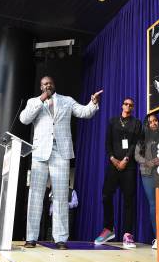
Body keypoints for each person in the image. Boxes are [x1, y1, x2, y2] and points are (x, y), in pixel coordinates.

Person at [20, 76, 102, 250]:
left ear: (54, 84)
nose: (47, 85)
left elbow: (83, 112)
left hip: (61, 152)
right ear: (41, 88)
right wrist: (40, 100)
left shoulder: (66, 100)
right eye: (43, 84)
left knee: (60, 196)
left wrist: (93, 103)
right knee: (35, 195)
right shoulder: (34, 102)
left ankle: (60, 239)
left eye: (49, 83)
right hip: (40, 152)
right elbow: (24, 119)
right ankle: (31, 237)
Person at [95, 98, 142, 248]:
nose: (128, 106)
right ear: (122, 105)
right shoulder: (113, 121)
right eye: (126, 104)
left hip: (128, 166)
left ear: (133, 108)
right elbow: (107, 143)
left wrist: (126, 159)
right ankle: (109, 229)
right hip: (113, 164)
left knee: (129, 199)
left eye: (131, 105)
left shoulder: (136, 123)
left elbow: (135, 143)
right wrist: (113, 159)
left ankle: (128, 234)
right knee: (106, 195)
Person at [134, 113, 159, 251]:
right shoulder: (142, 139)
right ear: (147, 125)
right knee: (153, 205)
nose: (154, 123)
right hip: (147, 174)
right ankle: (158, 237)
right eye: (150, 122)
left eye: (155, 121)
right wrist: (147, 162)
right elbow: (137, 155)